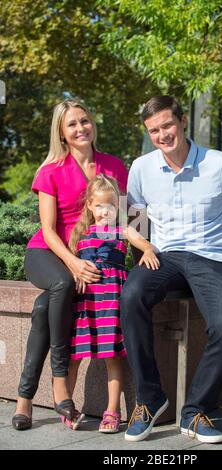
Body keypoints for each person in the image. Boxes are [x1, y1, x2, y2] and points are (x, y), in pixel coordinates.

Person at [120, 95, 222, 443]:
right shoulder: (141, 167)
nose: (162, 135)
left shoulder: (221, 165)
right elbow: (134, 220)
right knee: (131, 296)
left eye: (167, 125)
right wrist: (143, 251)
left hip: (210, 257)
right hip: (163, 255)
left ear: (182, 121)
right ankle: (149, 398)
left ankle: (195, 411)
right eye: (154, 130)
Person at [12, 99, 128, 431]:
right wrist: (74, 263)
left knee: (42, 308)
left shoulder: (115, 166)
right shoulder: (51, 170)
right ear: (62, 133)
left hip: (93, 258)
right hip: (48, 254)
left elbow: (132, 218)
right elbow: (48, 230)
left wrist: (129, 260)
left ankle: (23, 400)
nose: (80, 128)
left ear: (93, 124)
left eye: (84, 121)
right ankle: (60, 383)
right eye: (72, 124)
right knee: (61, 284)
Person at [62, 174, 160, 432]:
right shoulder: (80, 233)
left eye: (112, 205)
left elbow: (145, 243)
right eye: (100, 205)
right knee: (74, 356)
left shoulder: (122, 230)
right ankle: (67, 406)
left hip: (112, 302)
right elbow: (69, 261)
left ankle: (112, 412)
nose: (106, 211)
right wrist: (74, 272)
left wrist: (148, 250)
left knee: (112, 357)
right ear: (90, 206)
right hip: (87, 303)